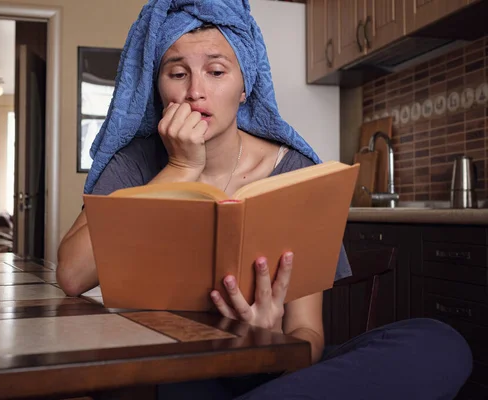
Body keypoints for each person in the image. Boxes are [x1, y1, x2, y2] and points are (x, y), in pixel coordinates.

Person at [57, 1, 473, 398]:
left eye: (216, 72)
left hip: (271, 373)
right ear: (158, 86)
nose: (195, 92)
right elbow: (72, 276)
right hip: (175, 369)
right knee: (160, 378)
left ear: (244, 86)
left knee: (439, 345)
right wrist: (180, 171)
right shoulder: (135, 162)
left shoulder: (293, 171)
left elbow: (307, 336)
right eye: (177, 73)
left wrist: (269, 341)